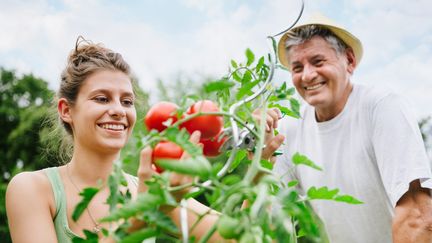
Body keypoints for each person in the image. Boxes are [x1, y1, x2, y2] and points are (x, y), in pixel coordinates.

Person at [5, 37, 284, 243]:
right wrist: (143, 214)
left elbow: (240, 237)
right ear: (67, 110)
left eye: (127, 101)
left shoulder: (151, 190)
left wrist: (260, 166)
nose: (118, 109)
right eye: (102, 98)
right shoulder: (33, 189)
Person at [262, 14, 432, 243]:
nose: (308, 75)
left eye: (318, 61)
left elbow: (417, 216)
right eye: (297, 67)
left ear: (349, 61)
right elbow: (269, 219)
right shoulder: (289, 128)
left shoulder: (381, 107)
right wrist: (260, 163)